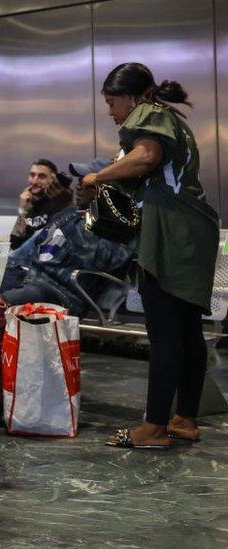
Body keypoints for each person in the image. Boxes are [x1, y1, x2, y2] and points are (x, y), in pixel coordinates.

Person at [78, 63, 219, 450]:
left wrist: (97, 176)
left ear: (132, 97)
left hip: (171, 234)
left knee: (164, 333)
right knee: (187, 332)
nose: (110, 112)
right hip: (192, 230)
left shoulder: (150, 115)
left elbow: (146, 156)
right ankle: (184, 418)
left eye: (112, 102)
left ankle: (154, 427)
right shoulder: (171, 118)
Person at [0, 170, 135, 316]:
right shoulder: (70, 214)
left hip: (60, 293)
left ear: (108, 191)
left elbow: (94, 258)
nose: (78, 187)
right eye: (79, 181)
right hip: (28, 277)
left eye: (87, 184)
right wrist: (25, 211)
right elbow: (31, 246)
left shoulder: (118, 226)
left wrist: (66, 208)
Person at [9, 159, 68, 249]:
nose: (35, 181)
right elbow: (14, 243)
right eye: (32, 175)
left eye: (41, 176)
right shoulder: (29, 206)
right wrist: (22, 210)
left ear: (52, 180)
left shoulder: (59, 205)